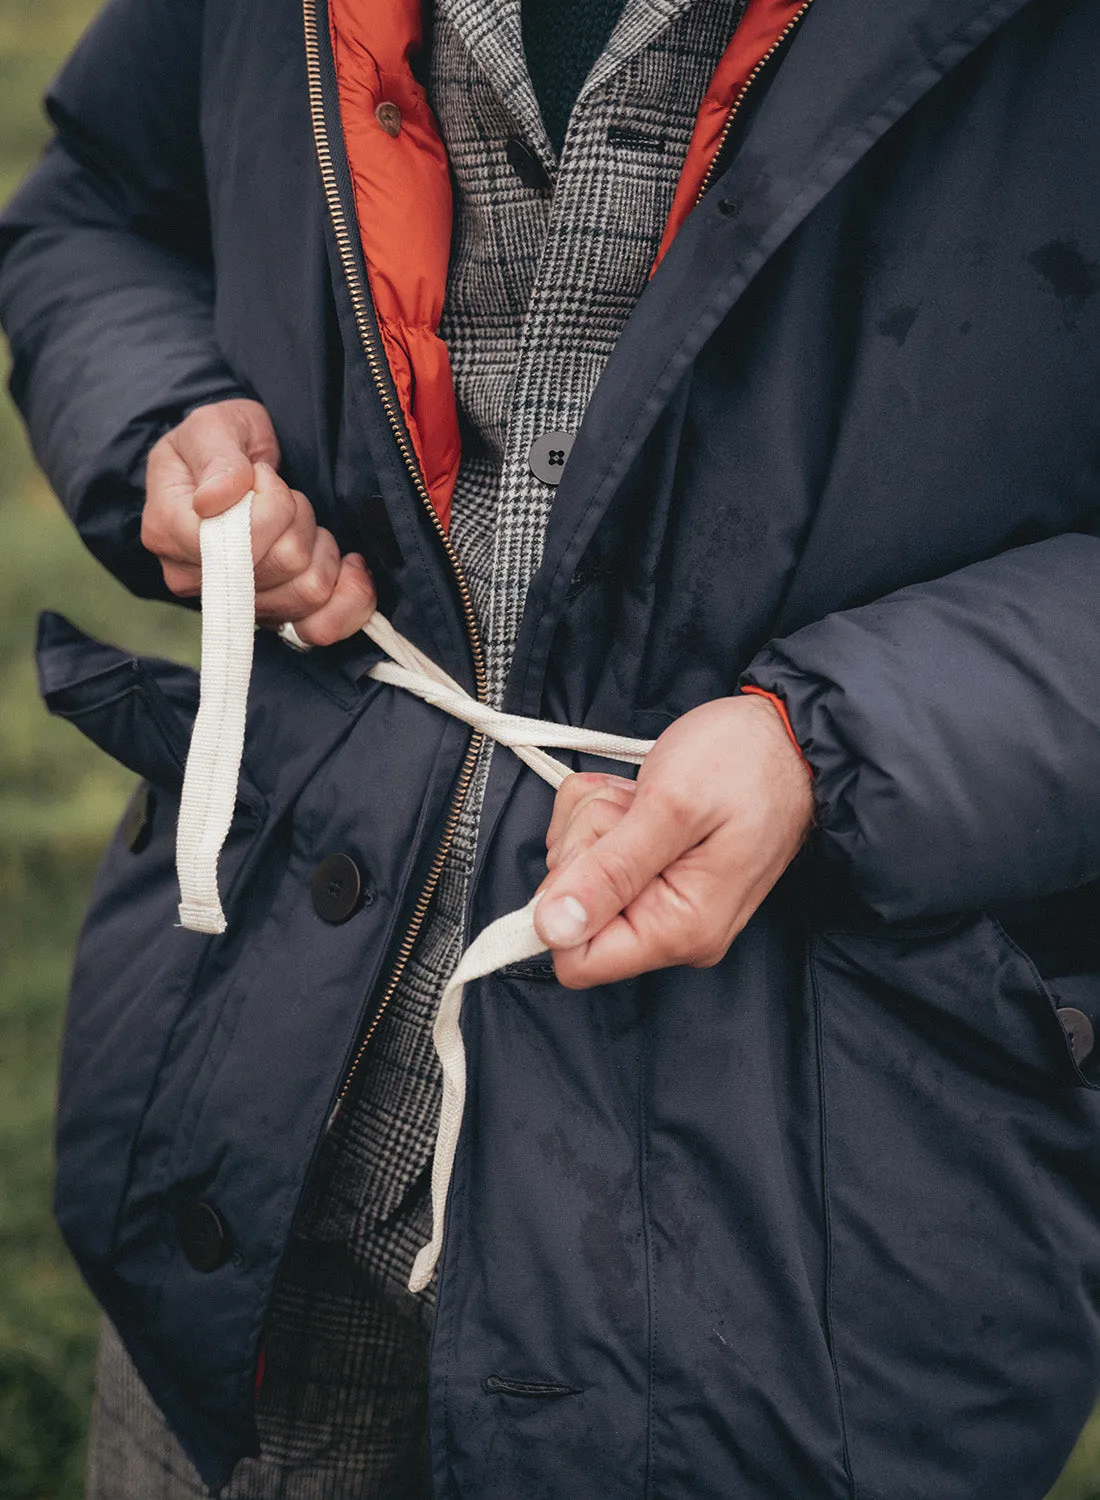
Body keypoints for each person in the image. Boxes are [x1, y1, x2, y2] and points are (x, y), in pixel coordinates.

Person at [3, 0, 1100, 1494]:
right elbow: (97, 204)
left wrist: (841, 744)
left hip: (799, 1300)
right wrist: (171, 422)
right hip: (227, 1170)